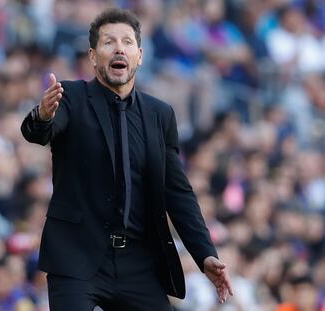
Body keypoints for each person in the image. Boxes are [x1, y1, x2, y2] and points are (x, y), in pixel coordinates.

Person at [21, 8, 233, 311]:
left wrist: (205, 253)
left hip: (138, 262)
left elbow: (177, 192)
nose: (119, 48)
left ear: (140, 56)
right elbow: (39, 132)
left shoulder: (160, 115)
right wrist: (41, 116)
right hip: (77, 257)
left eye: (127, 42)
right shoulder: (71, 97)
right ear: (93, 57)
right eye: (109, 42)